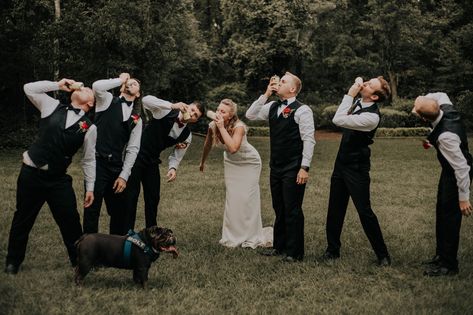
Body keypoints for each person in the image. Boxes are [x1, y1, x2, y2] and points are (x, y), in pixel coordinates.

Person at [5, 79, 96, 274]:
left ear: (90, 104)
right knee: (22, 218)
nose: (85, 87)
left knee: (70, 220)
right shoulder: (51, 105)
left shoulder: (90, 128)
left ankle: (79, 260)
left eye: (88, 89)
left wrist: (90, 188)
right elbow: (28, 88)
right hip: (31, 174)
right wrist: (58, 85)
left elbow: (89, 160)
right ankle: (13, 261)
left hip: (57, 180)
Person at [321, 76, 391, 266]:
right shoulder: (360, 101)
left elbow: (338, 119)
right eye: (367, 82)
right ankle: (332, 250)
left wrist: (349, 94)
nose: (365, 84)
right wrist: (358, 85)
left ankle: (383, 255)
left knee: (364, 210)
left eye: (370, 85)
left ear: (375, 97)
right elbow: (359, 81)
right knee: (335, 207)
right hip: (341, 162)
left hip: (357, 167)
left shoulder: (372, 117)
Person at [246, 72, 315, 262]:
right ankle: (280, 246)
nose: (278, 83)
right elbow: (250, 115)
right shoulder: (272, 106)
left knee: (292, 208)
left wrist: (304, 167)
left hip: (294, 166)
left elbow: (309, 140)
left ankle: (295, 252)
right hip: (275, 166)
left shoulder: (303, 110)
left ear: (292, 89)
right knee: (279, 207)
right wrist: (266, 94)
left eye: (283, 82)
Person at [412, 92, 472, 276]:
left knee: (449, 218)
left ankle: (448, 266)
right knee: (441, 211)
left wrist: (463, 199)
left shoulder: (446, 137)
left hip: (456, 175)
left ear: (422, 118)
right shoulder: (445, 105)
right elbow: (441, 93)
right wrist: (431, 139)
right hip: (449, 171)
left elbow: (462, 169)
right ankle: (441, 255)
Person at [200, 99, 273, 249]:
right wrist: (202, 162)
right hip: (231, 164)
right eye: (218, 110)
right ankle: (232, 236)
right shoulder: (212, 125)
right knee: (233, 198)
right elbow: (207, 143)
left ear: (230, 115)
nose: (219, 113)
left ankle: (251, 235)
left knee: (247, 198)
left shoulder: (239, 127)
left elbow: (233, 147)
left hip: (249, 162)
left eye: (223, 112)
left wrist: (221, 127)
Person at [126, 95, 204, 230]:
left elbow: (177, 156)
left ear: (195, 120)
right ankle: (127, 232)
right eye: (192, 110)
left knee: (153, 197)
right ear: (187, 105)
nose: (191, 114)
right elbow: (146, 100)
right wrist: (172, 105)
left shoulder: (187, 135)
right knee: (131, 195)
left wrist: (173, 168)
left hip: (152, 161)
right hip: (136, 156)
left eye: (195, 115)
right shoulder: (165, 111)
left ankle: (152, 233)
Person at [83, 73, 142, 235]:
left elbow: (133, 148)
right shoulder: (106, 100)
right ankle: (89, 250)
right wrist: (121, 80)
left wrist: (124, 175)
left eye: (134, 84)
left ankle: (115, 249)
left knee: (119, 211)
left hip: (117, 167)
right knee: (92, 209)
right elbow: (96, 86)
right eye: (128, 82)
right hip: (97, 163)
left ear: (138, 94)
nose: (130, 84)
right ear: (123, 86)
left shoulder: (137, 119)